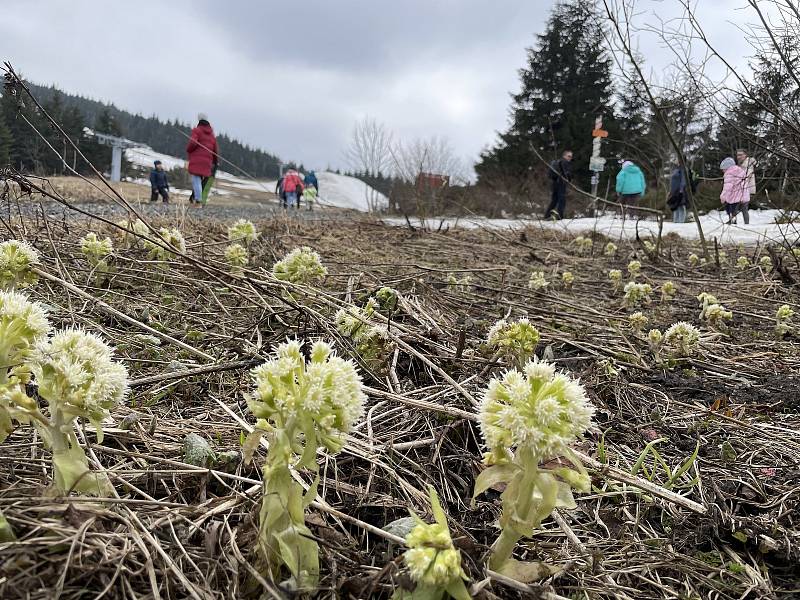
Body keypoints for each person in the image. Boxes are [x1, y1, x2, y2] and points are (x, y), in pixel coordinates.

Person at [186, 113, 218, 205]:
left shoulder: (197, 131)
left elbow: (192, 143)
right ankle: (194, 199)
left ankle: (198, 200)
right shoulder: (212, 135)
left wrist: (188, 150)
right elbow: (215, 150)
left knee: (196, 179)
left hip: (197, 159)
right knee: (199, 180)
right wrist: (215, 162)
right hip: (207, 161)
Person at [544, 150, 573, 220]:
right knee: (562, 200)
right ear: (564, 156)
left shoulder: (557, 162)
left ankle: (547, 215)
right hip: (561, 183)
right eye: (569, 156)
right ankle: (560, 216)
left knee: (554, 200)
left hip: (554, 183)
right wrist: (569, 179)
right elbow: (566, 173)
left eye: (571, 157)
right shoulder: (565, 162)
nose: (570, 158)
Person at [720, 157, 749, 225]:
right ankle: (747, 223)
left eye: (723, 169)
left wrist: (723, 196)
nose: (723, 171)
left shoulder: (729, 174)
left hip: (735, 195)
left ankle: (733, 221)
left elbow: (727, 187)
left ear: (727, 168)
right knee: (745, 210)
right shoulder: (741, 171)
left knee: (732, 210)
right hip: (744, 194)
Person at [736, 149, 756, 224]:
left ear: (745, 155)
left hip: (746, 189)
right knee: (739, 206)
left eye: (741, 155)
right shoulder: (741, 165)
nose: (739, 157)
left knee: (742, 207)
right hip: (741, 189)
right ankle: (735, 222)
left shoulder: (748, 164)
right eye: (738, 155)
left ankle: (746, 223)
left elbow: (747, 178)